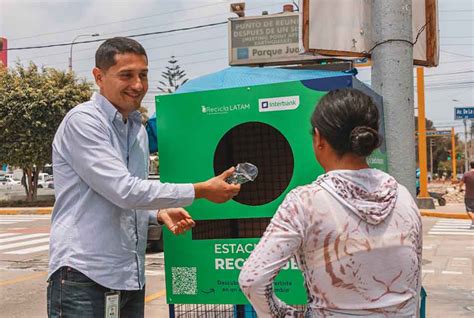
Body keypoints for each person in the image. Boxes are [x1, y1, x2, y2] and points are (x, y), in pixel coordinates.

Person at [47, 37, 240, 318]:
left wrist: (158, 213)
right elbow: (124, 190)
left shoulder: (135, 127)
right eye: (126, 75)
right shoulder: (84, 122)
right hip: (84, 275)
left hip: (129, 277)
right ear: (99, 77)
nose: (138, 85)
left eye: (143, 75)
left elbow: (123, 200)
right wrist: (201, 190)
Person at [239, 89, 422, 317]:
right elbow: (414, 279)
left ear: (319, 138)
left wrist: (286, 314)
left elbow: (252, 280)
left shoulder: (305, 202)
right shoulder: (403, 196)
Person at [458, 161, 474, 229]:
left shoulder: (466, 174)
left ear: (470, 166)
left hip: (469, 196)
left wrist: (460, 188)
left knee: (469, 211)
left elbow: (461, 183)